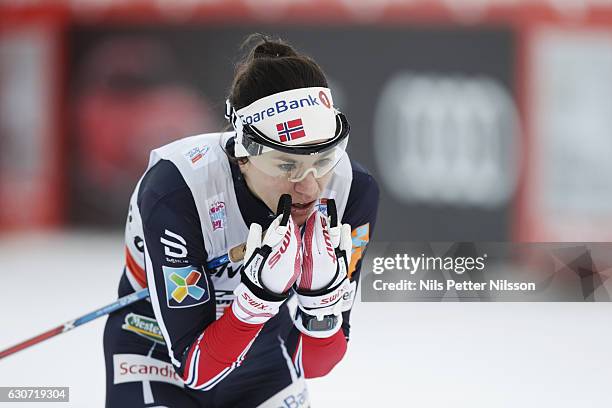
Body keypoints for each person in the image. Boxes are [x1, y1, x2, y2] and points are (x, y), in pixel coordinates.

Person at [103, 34, 379, 407]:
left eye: (322, 159)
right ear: (243, 153)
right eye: (286, 165)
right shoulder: (177, 189)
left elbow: (316, 364)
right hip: (154, 347)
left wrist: (321, 300)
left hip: (261, 353)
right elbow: (196, 370)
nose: (310, 187)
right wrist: (258, 299)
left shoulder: (351, 190)